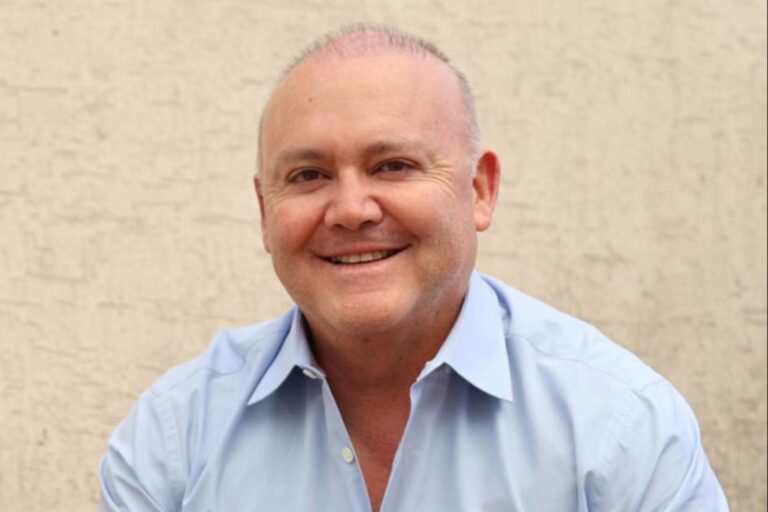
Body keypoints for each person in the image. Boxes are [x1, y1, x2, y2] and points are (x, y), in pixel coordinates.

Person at [98, 25, 729, 511]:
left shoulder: (621, 426)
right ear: (266, 212)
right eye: (309, 175)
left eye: (393, 166)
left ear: (480, 190)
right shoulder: (175, 439)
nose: (351, 209)